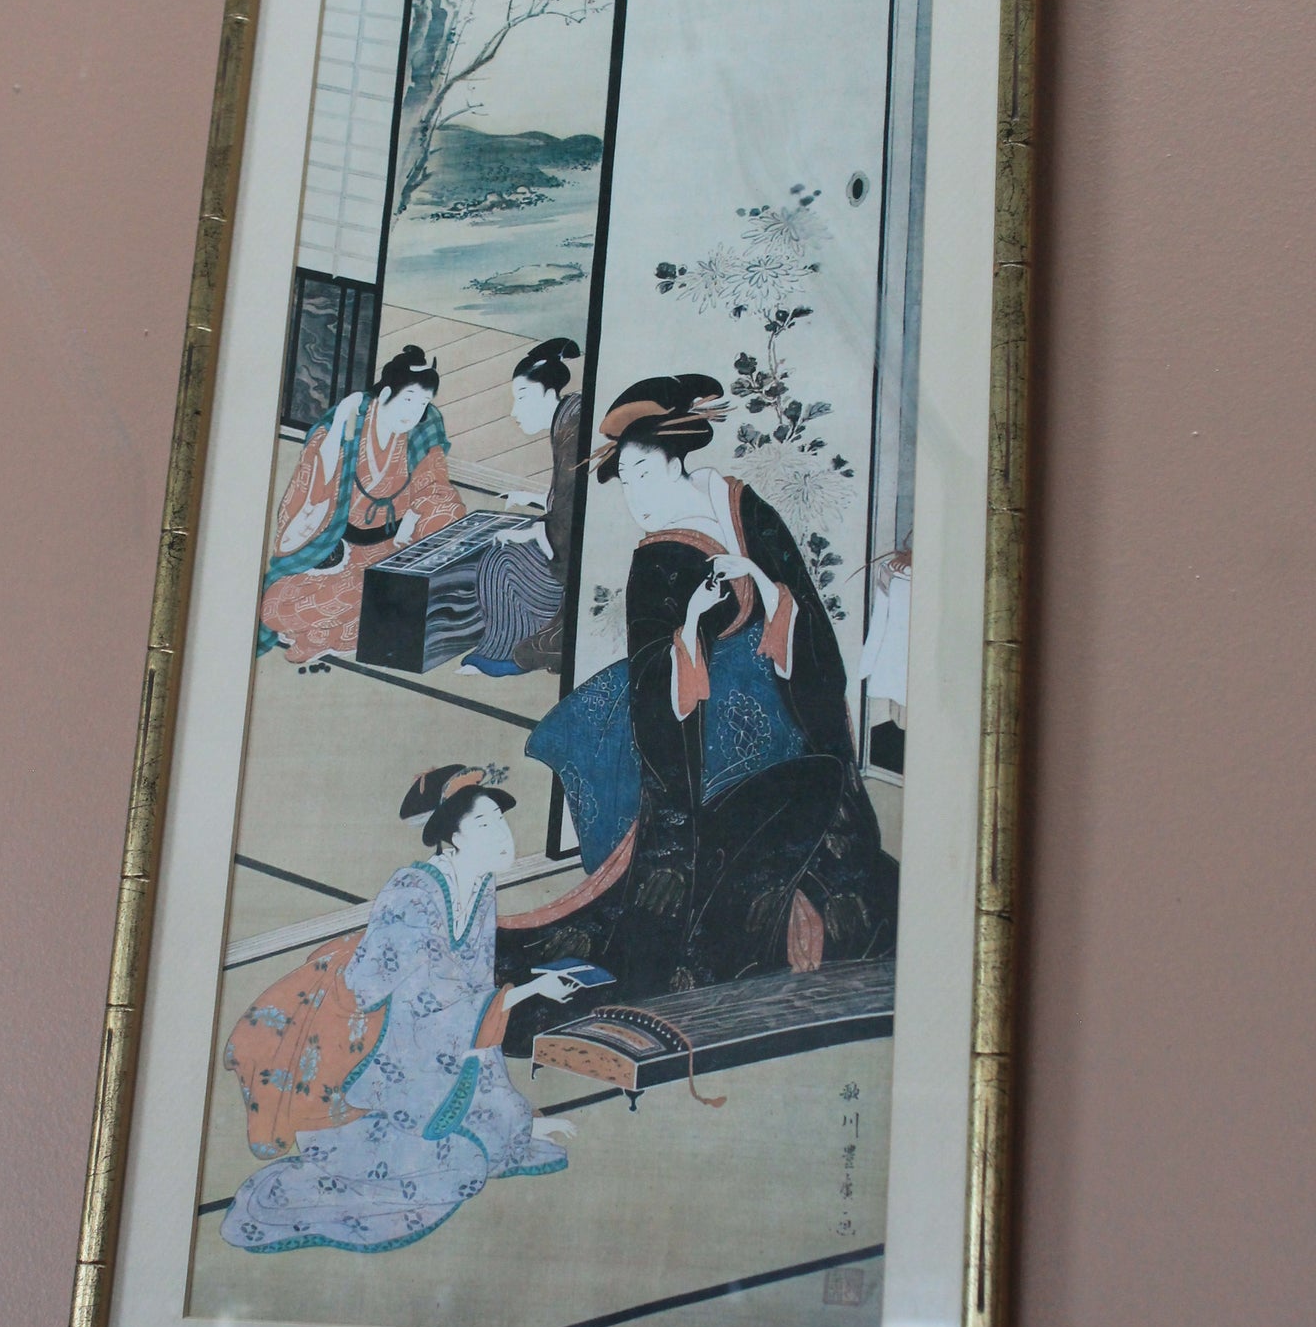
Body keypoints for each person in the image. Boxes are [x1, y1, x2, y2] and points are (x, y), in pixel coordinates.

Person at [496, 373, 898, 1029]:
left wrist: (762, 585)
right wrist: (689, 626)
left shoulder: (742, 506)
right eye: (624, 482)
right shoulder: (656, 559)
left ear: (673, 460)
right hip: (699, 736)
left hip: (783, 710)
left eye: (641, 474)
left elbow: (804, 611)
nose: (634, 496)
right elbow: (655, 676)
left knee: (837, 844)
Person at [221, 766, 581, 1255]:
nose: (503, 835)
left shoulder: (479, 888)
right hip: (368, 1057)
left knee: (502, 1130)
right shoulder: (414, 895)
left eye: (501, 821)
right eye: (485, 824)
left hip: (430, 1052)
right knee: (458, 1171)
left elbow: (470, 999)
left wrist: (514, 1117)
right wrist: (527, 992)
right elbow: (416, 1007)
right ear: (453, 838)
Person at [258, 344, 464, 668]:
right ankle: (340, 629)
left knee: (398, 585)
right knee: (273, 608)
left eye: (423, 403)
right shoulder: (351, 422)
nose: (414, 412)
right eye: (408, 399)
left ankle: (324, 633)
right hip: (338, 550)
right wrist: (341, 420)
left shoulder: (421, 432)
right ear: (386, 394)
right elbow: (314, 484)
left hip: (391, 550)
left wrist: (418, 520)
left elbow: (436, 489)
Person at [461, 337, 582, 678]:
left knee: (500, 561)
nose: (515, 411)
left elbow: (571, 514)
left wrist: (530, 532)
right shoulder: (569, 417)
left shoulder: (573, 426)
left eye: (523, 397)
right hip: (567, 539)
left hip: (577, 559)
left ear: (549, 393)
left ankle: (506, 656)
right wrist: (535, 501)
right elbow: (568, 497)